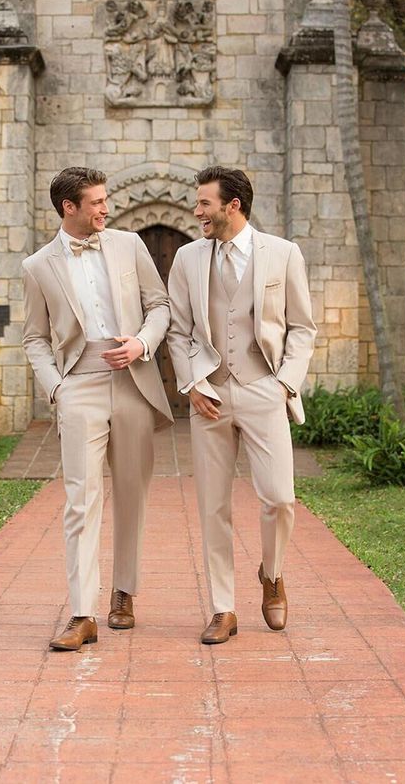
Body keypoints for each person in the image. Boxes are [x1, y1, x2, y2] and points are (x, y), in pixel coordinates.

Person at [22, 167, 173, 651]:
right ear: (70, 207)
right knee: (80, 500)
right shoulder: (38, 266)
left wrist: (143, 344)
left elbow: (160, 305)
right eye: (97, 202)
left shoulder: (130, 245)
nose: (106, 208)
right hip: (79, 386)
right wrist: (58, 389)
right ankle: (82, 612)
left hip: (133, 382)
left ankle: (124, 593)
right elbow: (34, 339)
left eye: (106, 200)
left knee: (132, 494)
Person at [167, 166, 316, 644]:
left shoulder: (284, 254)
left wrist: (284, 385)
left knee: (279, 498)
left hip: (264, 389)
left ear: (233, 205)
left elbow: (302, 329)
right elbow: (179, 331)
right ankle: (223, 608)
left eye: (205, 203)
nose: (197, 211)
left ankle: (271, 575)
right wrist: (192, 383)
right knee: (213, 506)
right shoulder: (188, 258)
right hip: (208, 395)